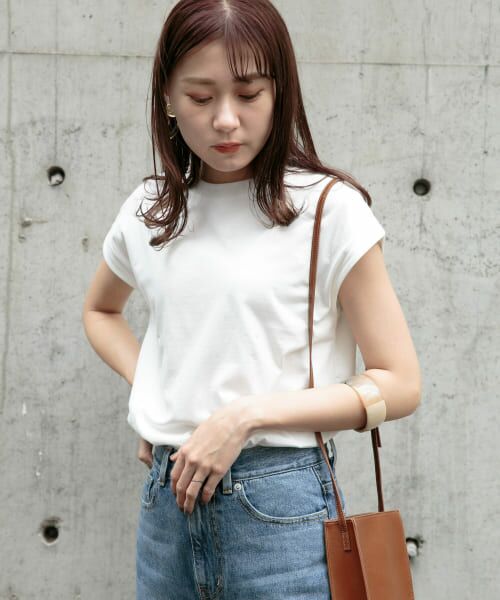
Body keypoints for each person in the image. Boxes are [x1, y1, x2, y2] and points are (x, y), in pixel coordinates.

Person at [82, 1, 422, 598]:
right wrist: (153, 388)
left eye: (248, 94)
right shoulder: (150, 210)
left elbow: (400, 383)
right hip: (166, 510)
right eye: (200, 96)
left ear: (279, 92)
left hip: (282, 508)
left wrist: (243, 417)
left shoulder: (328, 210)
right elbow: (100, 311)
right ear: (167, 98)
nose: (225, 120)